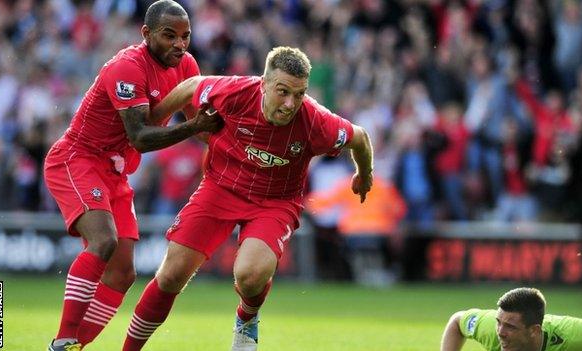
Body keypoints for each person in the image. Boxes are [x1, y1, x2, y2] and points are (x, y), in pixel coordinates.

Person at [121, 46, 374, 351]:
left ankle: (247, 318)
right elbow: (191, 86)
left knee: (250, 275)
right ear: (264, 83)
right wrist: (155, 119)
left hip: (275, 202)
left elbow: (360, 138)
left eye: (300, 94)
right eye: (282, 92)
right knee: (171, 275)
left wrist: (365, 174)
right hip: (220, 188)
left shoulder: (317, 121)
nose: (291, 103)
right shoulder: (234, 92)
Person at [43, 1, 222, 350]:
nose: (179, 44)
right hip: (78, 159)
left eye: (185, 36)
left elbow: (201, 127)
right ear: (146, 34)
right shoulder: (127, 67)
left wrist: (238, 139)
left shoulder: (186, 65)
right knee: (104, 241)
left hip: (115, 173)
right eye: (169, 36)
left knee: (123, 274)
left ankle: (74, 347)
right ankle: (63, 341)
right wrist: (195, 127)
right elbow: (139, 136)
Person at [440, 287, 582, 351]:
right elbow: (457, 321)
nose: (501, 332)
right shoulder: (489, 330)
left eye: (510, 326)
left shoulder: (572, 334)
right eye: (499, 322)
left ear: (534, 330)